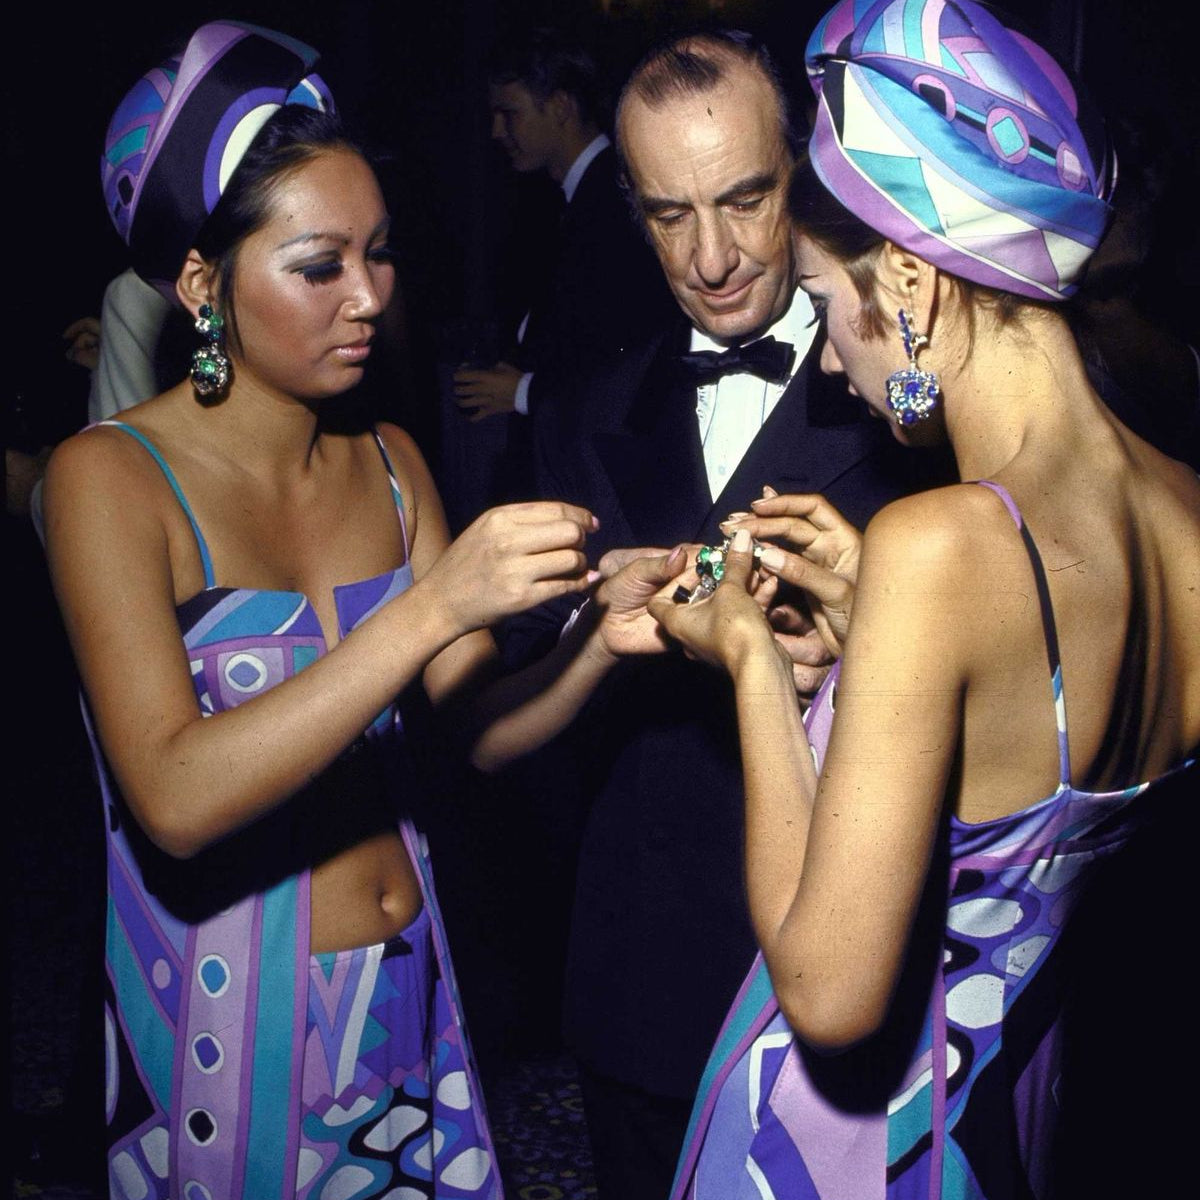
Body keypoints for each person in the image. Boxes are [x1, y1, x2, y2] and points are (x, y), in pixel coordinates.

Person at [42, 23, 675, 1200]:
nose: (371, 296)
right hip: (229, 1033)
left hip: (414, 1001)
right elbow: (174, 797)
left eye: (379, 255)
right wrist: (431, 606)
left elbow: (476, 730)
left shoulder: (390, 462)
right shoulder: (111, 480)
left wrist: (599, 643)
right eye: (320, 265)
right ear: (201, 284)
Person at [648, 3, 1200, 1197]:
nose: (832, 358)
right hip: (1016, 1116)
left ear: (907, 278)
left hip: (849, 1149)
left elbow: (830, 991)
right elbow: (1027, 771)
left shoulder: (939, 543)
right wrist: (874, 645)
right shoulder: (1185, 508)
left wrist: (746, 656)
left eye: (821, 298)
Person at [519, 30, 942, 1200]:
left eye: (746, 199)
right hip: (639, 970)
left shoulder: (908, 397)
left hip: (860, 968)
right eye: (668, 215)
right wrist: (581, 630)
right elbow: (510, 717)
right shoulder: (579, 404)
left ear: (800, 173)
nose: (710, 257)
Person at [452, 28, 672, 426]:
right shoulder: (570, 198)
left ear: (560, 107)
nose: (496, 132)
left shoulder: (617, 201)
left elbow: (630, 356)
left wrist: (524, 392)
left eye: (509, 114)